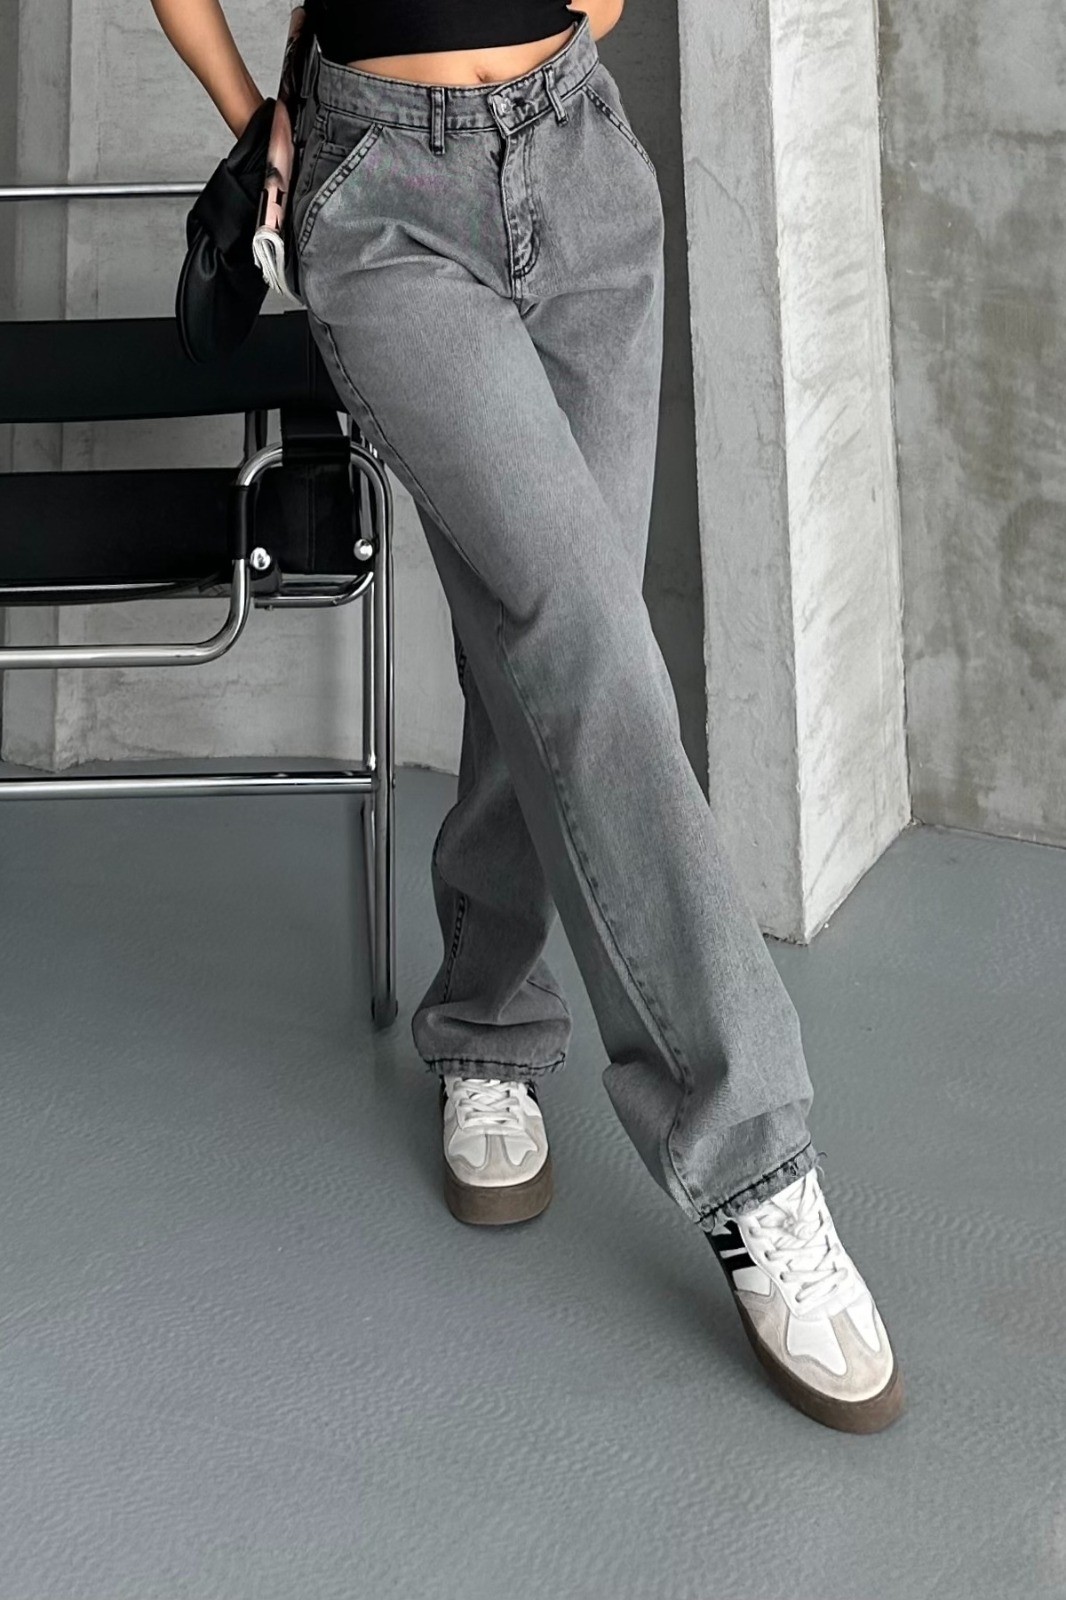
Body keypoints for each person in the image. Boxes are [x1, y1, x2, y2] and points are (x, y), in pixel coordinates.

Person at [151, 0, 906, 1434]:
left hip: (578, 159)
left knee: (551, 646)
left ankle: (489, 1021)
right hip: (385, 199)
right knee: (582, 637)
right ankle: (757, 1162)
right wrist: (254, 115)